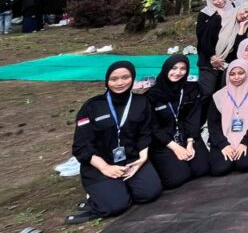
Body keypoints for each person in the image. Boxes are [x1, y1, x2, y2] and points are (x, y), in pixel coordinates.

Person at [67, 61, 162, 224]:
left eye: (125, 77)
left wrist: (142, 159)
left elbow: (146, 133)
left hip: (132, 159)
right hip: (101, 163)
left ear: (133, 78)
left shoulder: (141, 102)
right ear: (107, 81)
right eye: (114, 79)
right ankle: (98, 195)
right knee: (116, 206)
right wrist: (105, 167)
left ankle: (119, 188)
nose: (120, 83)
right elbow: (81, 146)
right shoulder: (92, 107)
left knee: (150, 193)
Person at [146, 56, 209, 189]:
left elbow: (193, 117)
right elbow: (153, 127)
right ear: (166, 69)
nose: (178, 72)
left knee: (202, 169)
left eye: (182, 69)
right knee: (176, 179)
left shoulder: (192, 89)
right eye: (174, 68)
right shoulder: (151, 96)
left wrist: (190, 142)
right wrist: (175, 147)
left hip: (187, 135)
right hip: (164, 141)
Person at [208, 60, 248, 176]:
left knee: (244, 165)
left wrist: (244, 143)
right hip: (224, 137)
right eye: (232, 74)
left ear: (247, 73)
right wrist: (223, 145)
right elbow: (213, 124)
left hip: (247, 137)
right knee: (220, 168)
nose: (236, 77)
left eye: (240, 73)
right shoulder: (218, 96)